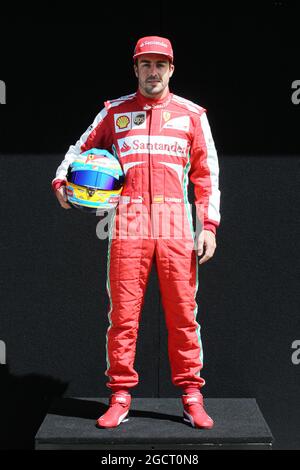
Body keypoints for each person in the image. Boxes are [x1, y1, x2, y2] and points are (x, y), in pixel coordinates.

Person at [52, 36, 221, 429]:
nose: (153, 71)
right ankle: (120, 395)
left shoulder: (192, 114)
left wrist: (208, 225)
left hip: (175, 224)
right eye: (146, 64)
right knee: (124, 317)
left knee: (183, 314)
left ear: (172, 69)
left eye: (160, 64)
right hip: (128, 224)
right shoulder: (115, 112)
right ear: (136, 68)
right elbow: (79, 149)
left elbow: (206, 174)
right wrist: (62, 181)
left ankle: (191, 395)